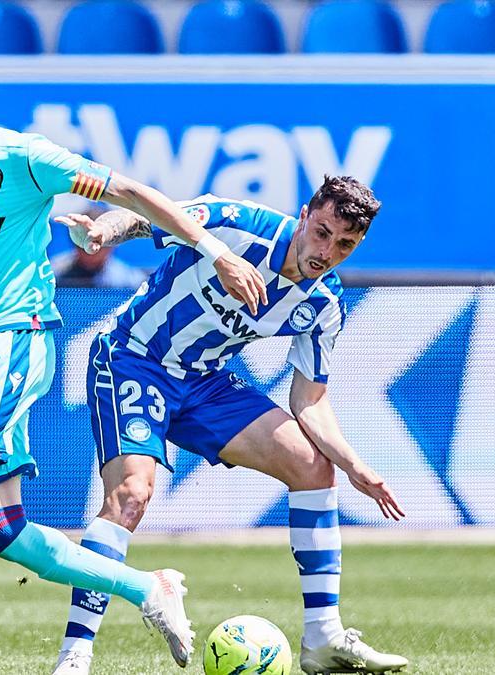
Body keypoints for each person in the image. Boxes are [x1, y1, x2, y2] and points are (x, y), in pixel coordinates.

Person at [0, 41, 269, 675]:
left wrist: (216, 252)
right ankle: (151, 589)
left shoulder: (24, 158)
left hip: (16, 336)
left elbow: (131, 192)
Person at [51, 177, 410, 675]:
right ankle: (76, 655)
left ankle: (322, 639)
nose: (326, 251)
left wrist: (354, 465)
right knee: (131, 494)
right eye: (323, 232)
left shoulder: (324, 302)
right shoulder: (242, 225)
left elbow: (309, 401)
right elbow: (151, 213)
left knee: (313, 466)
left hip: (204, 383)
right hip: (135, 359)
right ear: (305, 215)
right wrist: (104, 231)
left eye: (344, 244)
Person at [51, 206, 150, 288]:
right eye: (83, 246)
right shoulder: (51, 276)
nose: (90, 251)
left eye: (98, 245)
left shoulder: (130, 282)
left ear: (112, 246)